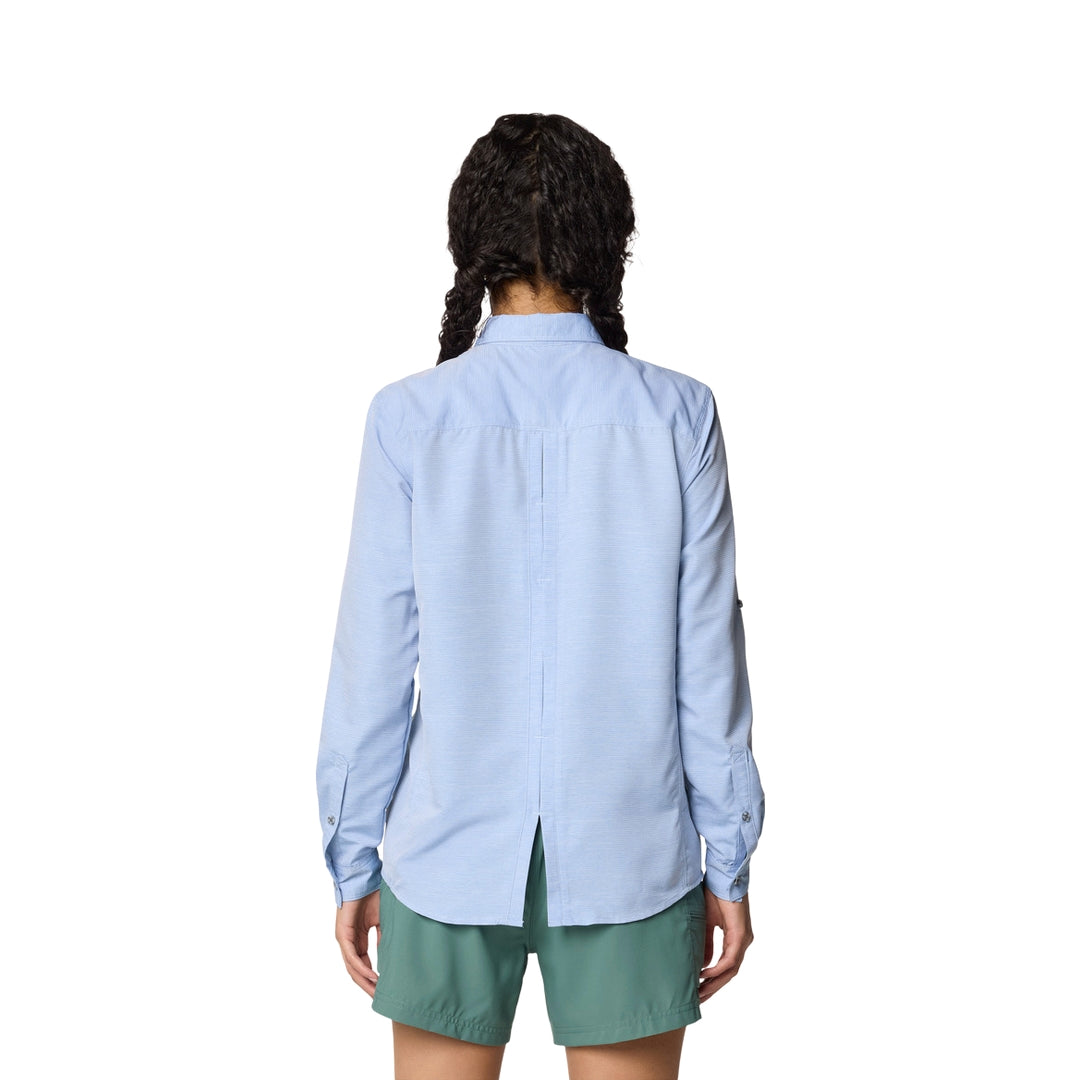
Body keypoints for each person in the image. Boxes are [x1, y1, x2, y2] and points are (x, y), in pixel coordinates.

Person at [315, 112, 765, 1080]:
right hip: (632, 857)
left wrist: (353, 856)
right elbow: (709, 666)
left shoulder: (409, 418)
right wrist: (728, 860)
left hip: (443, 853)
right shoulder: (678, 415)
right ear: (608, 239)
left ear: (473, 243)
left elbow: (371, 665)